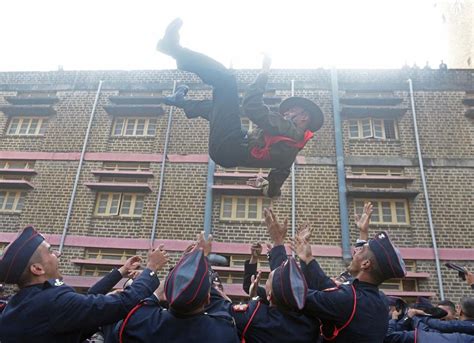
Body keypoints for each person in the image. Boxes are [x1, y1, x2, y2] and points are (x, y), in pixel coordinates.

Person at [157, 18, 324, 198]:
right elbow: (275, 188)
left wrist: (264, 72)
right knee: (220, 109)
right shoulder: (291, 153)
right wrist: (266, 185)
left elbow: (252, 106)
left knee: (226, 81)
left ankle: (173, 49)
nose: (287, 112)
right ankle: (180, 101)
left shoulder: (288, 128)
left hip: (228, 145)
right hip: (230, 150)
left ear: (304, 118)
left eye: (292, 110)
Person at [0, 226, 169, 343]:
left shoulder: (24, 301)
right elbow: (122, 304)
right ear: (37, 268)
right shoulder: (53, 301)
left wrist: (122, 271)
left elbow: (85, 299)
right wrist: (151, 269)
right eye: (51, 251)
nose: (57, 254)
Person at [116, 234, 239, 343]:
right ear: (207, 298)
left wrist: (187, 261)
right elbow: (223, 304)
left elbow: (156, 294)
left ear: (167, 294)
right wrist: (200, 258)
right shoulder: (223, 332)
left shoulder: (141, 320)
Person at [292, 228, 407, 342]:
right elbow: (327, 287)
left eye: (361, 250)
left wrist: (277, 246)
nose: (356, 251)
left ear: (365, 263)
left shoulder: (349, 299)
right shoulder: (381, 300)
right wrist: (307, 258)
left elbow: (293, 295)